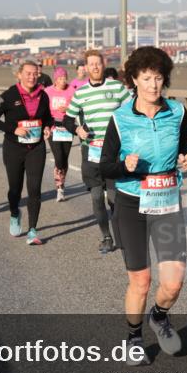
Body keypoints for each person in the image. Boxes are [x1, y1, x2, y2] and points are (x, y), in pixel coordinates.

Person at [100, 46, 187, 365]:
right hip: (131, 204)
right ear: (133, 80)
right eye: (146, 78)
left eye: (158, 78)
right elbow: (105, 166)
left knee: (173, 282)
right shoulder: (120, 118)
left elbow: (183, 147)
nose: (153, 85)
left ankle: (159, 316)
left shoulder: (178, 112)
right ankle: (134, 339)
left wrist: (185, 158)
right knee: (141, 282)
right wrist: (124, 166)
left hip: (167, 202)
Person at [63, 49, 132, 254]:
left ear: (104, 64)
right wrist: (77, 130)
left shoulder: (117, 88)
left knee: (113, 198)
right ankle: (106, 236)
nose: (95, 67)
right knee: (96, 197)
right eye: (91, 64)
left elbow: (132, 111)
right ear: (85, 67)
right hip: (91, 151)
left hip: (113, 152)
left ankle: (121, 234)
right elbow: (67, 119)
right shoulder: (81, 93)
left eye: (98, 63)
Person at [0, 60, 52, 245]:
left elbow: (47, 117)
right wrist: (13, 129)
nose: (32, 77)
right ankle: (15, 213)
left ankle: (32, 230)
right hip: (13, 148)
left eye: (35, 74)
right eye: (28, 73)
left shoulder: (43, 95)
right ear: (19, 74)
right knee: (15, 189)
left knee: (35, 189)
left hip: (36, 148)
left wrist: (48, 127)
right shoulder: (7, 95)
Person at [46, 66, 77, 202]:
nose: (63, 81)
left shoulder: (72, 90)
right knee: (58, 157)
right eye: (60, 78)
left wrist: (68, 108)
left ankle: (61, 186)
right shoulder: (48, 91)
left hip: (67, 127)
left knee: (64, 158)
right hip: (54, 127)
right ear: (55, 79)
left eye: (64, 78)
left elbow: (78, 107)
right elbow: (43, 108)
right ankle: (59, 187)